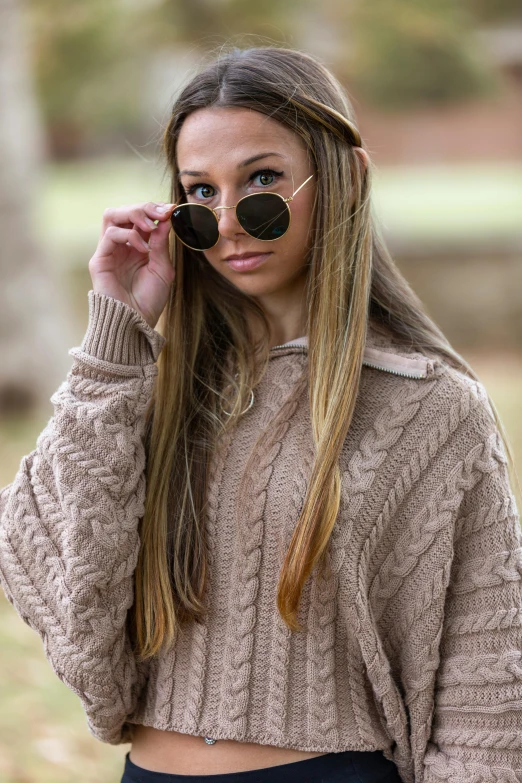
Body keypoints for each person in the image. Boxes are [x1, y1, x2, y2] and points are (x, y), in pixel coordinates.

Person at [0, 45, 521, 783]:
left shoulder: (432, 407)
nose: (230, 222)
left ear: (347, 178)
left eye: (262, 180)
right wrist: (115, 334)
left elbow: (488, 698)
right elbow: (60, 579)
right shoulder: (147, 389)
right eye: (199, 194)